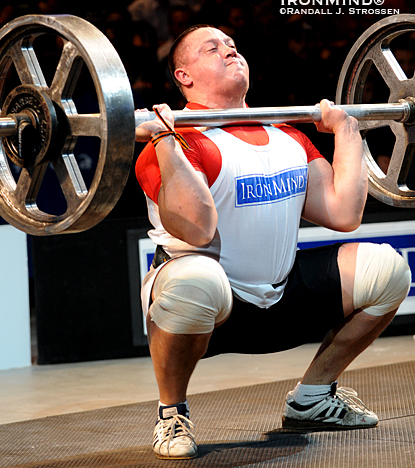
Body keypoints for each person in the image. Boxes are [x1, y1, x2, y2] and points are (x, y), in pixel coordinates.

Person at [134, 24, 412, 460]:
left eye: (233, 45)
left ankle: (313, 398)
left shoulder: (288, 136)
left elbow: (344, 214)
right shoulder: (174, 142)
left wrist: (347, 132)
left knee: (388, 270)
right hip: (212, 309)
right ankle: (172, 411)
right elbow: (198, 229)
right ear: (184, 76)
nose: (229, 51)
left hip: (283, 299)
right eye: (213, 48)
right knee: (197, 280)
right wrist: (167, 141)